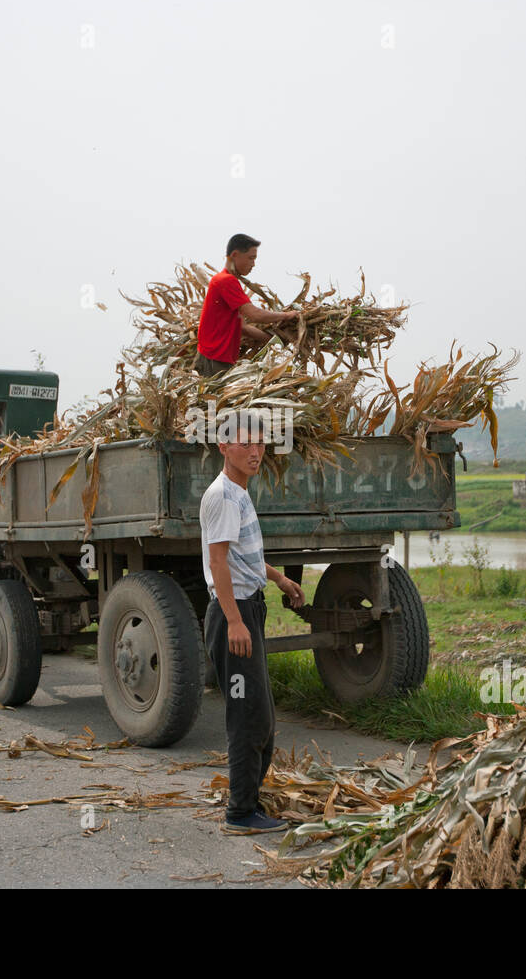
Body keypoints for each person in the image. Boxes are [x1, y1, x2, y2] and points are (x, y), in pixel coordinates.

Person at [199, 409, 305, 834]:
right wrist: (235, 621)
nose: (255, 451)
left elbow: (244, 557)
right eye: (245, 443)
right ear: (224, 446)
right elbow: (218, 561)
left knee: (261, 717)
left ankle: (248, 803)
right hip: (234, 617)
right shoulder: (223, 495)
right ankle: (240, 813)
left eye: (260, 443)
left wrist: (279, 579)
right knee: (247, 718)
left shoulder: (238, 493)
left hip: (246, 609)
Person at [194, 234, 298, 378]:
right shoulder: (226, 280)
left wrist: (278, 341)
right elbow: (255, 315)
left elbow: (243, 327)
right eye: (251, 258)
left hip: (217, 360)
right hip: (214, 360)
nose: (253, 264)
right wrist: (287, 315)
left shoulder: (226, 280)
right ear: (235, 255)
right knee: (211, 400)